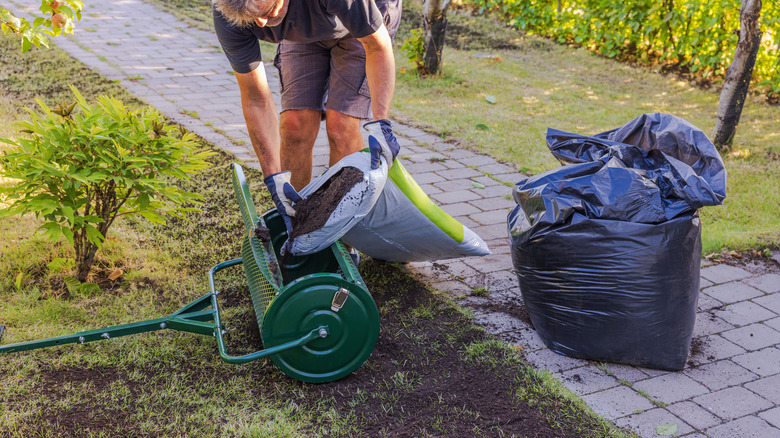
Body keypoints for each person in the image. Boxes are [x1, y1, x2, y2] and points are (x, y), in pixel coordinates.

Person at [212, 0, 402, 238]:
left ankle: (342, 238)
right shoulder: (230, 15)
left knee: (341, 126)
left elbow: (376, 45)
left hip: (361, 25)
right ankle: (298, 229)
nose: (260, 23)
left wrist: (381, 123)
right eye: (251, 19)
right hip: (307, 28)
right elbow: (255, 98)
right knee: (294, 125)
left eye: (266, 12)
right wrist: (274, 177)